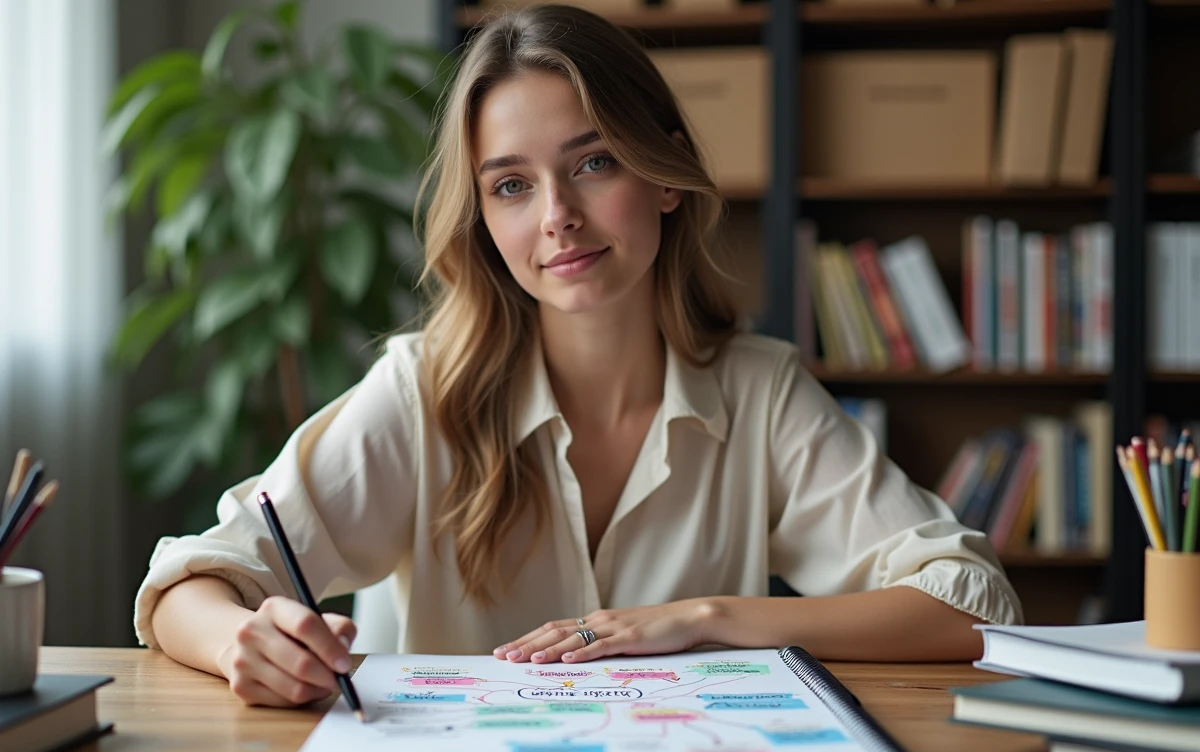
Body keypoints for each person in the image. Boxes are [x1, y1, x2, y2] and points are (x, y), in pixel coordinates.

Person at [136, 3, 1022, 709]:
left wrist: (705, 619)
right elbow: (194, 578)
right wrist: (240, 641)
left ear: (665, 173)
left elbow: (969, 600)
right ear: (483, 219)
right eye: (511, 185)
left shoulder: (761, 392)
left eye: (593, 163)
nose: (556, 215)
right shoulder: (421, 390)